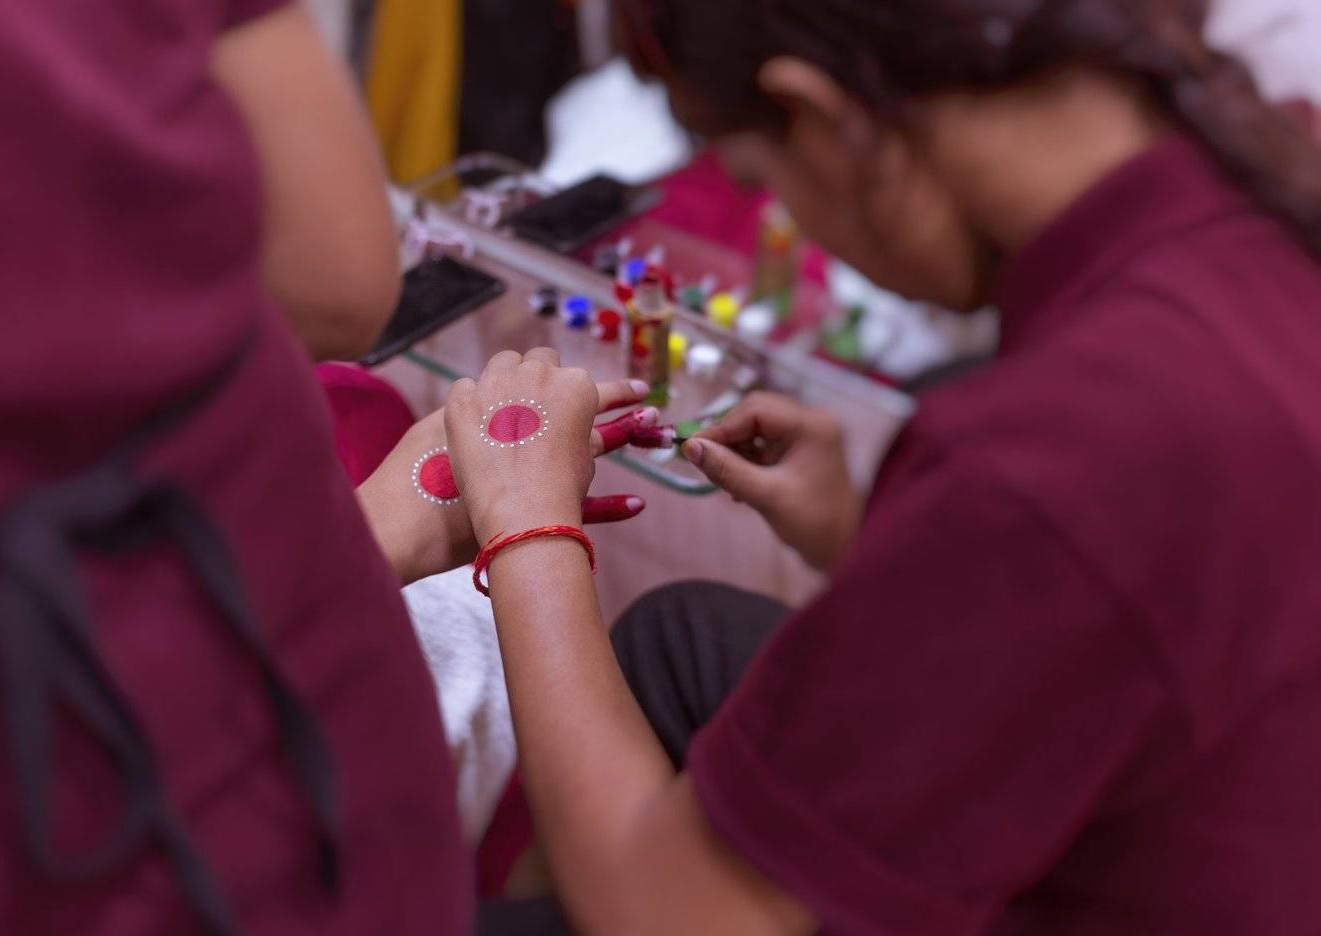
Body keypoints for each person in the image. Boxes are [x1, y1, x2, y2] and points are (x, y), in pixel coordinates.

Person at [452, 1, 1321, 933]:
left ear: (821, 116)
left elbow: (673, 910)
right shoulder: (1249, 185)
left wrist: (528, 525)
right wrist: (885, 538)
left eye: (764, 179)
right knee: (677, 635)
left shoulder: (1054, 452)